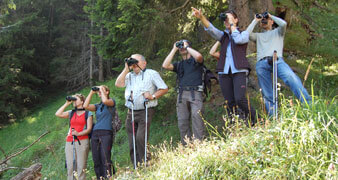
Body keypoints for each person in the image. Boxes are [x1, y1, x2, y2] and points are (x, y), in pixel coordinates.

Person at [192, 7, 257, 126]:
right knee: (230, 102)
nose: (226, 21)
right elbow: (211, 29)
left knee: (240, 99)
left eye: (229, 18)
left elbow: (238, 40)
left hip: (239, 71)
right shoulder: (223, 36)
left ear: (236, 20)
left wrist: (232, 25)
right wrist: (201, 17)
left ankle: (255, 121)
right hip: (224, 73)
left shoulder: (244, 33)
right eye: (225, 20)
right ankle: (235, 127)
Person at [246, 12, 311, 115]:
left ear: (272, 22)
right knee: (267, 92)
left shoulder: (278, 32)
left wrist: (270, 16)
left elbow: (283, 24)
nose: (264, 21)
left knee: (291, 77)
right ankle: (273, 116)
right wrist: (255, 20)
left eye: (266, 19)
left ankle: (309, 104)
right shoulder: (258, 36)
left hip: (277, 60)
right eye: (263, 20)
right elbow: (247, 34)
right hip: (261, 64)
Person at [115, 54, 168, 167]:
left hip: (146, 109)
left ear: (144, 63)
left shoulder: (152, 73)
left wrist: (153, 96)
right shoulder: (129, 75)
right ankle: (137, 166)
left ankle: (146, 163)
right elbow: (118, 84)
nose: (134, 65)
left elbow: (164, 88)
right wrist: (126, 68)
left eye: (136, 62)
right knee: (132, 139)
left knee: (141, 137)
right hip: (131, 111)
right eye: (131, 63)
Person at [162, 39, 206, 145]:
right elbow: (165, 65)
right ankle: (187, 146)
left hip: (195, 93)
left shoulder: (195, 61)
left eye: (183, 45)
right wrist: (174, 49)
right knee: (182, 121)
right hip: (181, 95)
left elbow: (199, 57)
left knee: (197, 118)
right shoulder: (179, 65)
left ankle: (200, 144)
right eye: (180, 46)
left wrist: (186, 47)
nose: (181, 48)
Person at [55, 94, 93, 180]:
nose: (74, 101)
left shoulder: (88, 113)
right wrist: (67, 103)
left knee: (81, 166)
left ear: (82, 101)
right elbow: (58, 114)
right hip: (70, 141)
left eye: (76, 99)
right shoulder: (71, 113)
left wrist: (78, 134)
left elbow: (89, 129)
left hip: (82, 141)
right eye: (73, 99)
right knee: (70, 166)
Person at [83, 85, 115, 179]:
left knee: (105, 157)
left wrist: (101, 88)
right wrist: (92, 92)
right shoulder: (98, 106)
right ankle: (99, 177)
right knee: (96, 159)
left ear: (107, 92)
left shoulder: (111, 102)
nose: (100, 92)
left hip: (106, 133)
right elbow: (85, 106)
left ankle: (109, 176)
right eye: (99, 91)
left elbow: (105, 101)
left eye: (102, 90)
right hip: (95, 133)